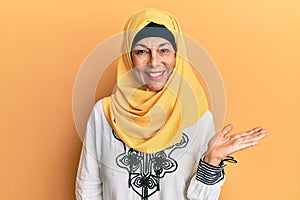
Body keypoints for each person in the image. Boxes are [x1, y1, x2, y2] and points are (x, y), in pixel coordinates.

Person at [75, 8, 267, 200]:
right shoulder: (104, 114)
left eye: (164, 50)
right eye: (142, 51)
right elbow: (88, 188)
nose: (154, 61)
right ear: (129, 57)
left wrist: (212, 160)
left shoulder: (196, 117)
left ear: (177, 55)